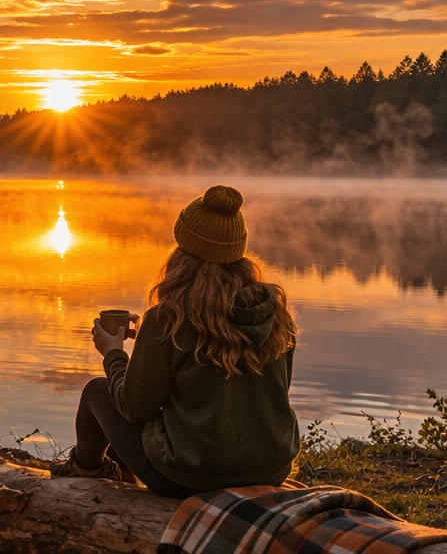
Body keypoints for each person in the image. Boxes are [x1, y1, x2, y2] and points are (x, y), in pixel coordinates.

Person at [50, 184, 300, 498]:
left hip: (189, 477)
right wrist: (149, 347)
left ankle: (86, 469)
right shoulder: (275, 313)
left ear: (183, 248)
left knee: (96, 392)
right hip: (269, 471)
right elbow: (256, 390)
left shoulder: (171, 317)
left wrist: (113, 352)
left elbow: (134, 408)